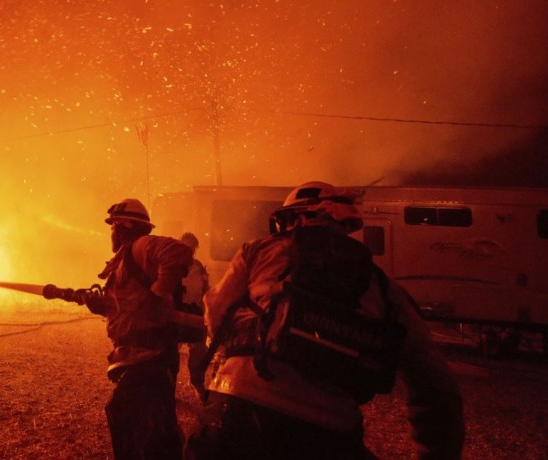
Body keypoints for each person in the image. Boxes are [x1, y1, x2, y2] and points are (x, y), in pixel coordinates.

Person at [184, 182, 464, 460]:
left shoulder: (258, 251)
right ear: (343, 224)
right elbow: (434, 382)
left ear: (298, 217)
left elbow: (216, 312)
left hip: (237, 410)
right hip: (328, 432)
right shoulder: (381, 285)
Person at [84, 198, 195, 460]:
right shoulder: (127, 260)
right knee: (153, 428)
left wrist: (156, 297)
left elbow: (179, 252)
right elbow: (129, 305)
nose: (111, 232)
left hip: (150, 356)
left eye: (113, 226)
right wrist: (103, 306)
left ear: (125, 226)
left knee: (134, 421)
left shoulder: (140, 246)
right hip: (143, 355)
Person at [178, 232, 210, 400]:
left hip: (194, 314)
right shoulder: (170, 265)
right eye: (186, 246)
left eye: (192, 248)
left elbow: (205, 292)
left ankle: (197, 383)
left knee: (199, 350)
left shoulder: (198, 268)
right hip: (175, 314)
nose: (189, 251)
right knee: (167, 353)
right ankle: (165, 388)